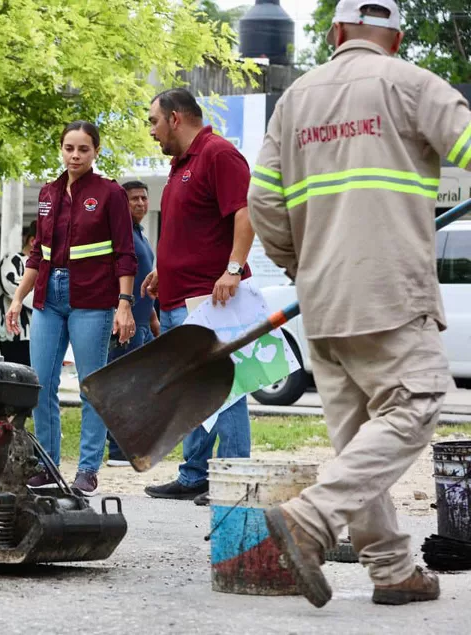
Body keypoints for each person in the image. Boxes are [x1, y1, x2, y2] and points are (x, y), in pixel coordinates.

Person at [248, 0, 471, 608]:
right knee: (417, 405)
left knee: (358, 444)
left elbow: (262, 198)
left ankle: (394, 570)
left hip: (321, 297)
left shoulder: (296, 99)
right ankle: (309, 520)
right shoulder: (412, 84)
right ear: (396, 40)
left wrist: (302, 265)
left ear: (336, 32)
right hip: (390, 290)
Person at [6, 120, 136, 496]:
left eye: (83, 149)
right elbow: (37, 253)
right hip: (49, 297)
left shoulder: (110, 194)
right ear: (61, 150)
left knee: (91, 386)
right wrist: (18, 298)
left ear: (96, 151)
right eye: (69, 148)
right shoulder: (47, 192)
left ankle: (88, 470)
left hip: (93, 300)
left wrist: (123, 304)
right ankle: (47, 465)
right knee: (40, 384)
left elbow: (125, 254)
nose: (75, 155)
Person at [140, 89, 255, 506]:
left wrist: (233, 268)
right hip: (179, 296)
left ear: (174, 118)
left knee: (225, 387)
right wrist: (161, 270)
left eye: (153, 121)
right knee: (193, 391)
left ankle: (235, 479)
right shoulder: (179, 165)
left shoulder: (218, 154)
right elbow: (188, 229)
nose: (150, 131)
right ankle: (195, 475)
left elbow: (245, 213)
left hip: (213, 297)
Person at [106, 181, 161, 467]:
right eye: (133, 199)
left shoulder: (141, 233)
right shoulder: (121, 234)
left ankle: (133, 445)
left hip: (142, 323)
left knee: (142, 389)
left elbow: (143, 281)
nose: (140, 203)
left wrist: (153, 318)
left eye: (143, 198)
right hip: (124, 324)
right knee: (122, 388)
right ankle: (117, 451)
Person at [0, 221, 36, 366]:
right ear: (33, 241)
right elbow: (14, 289)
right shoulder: (11, 261)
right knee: (17, 377)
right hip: (16, 334)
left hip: (39, 333)